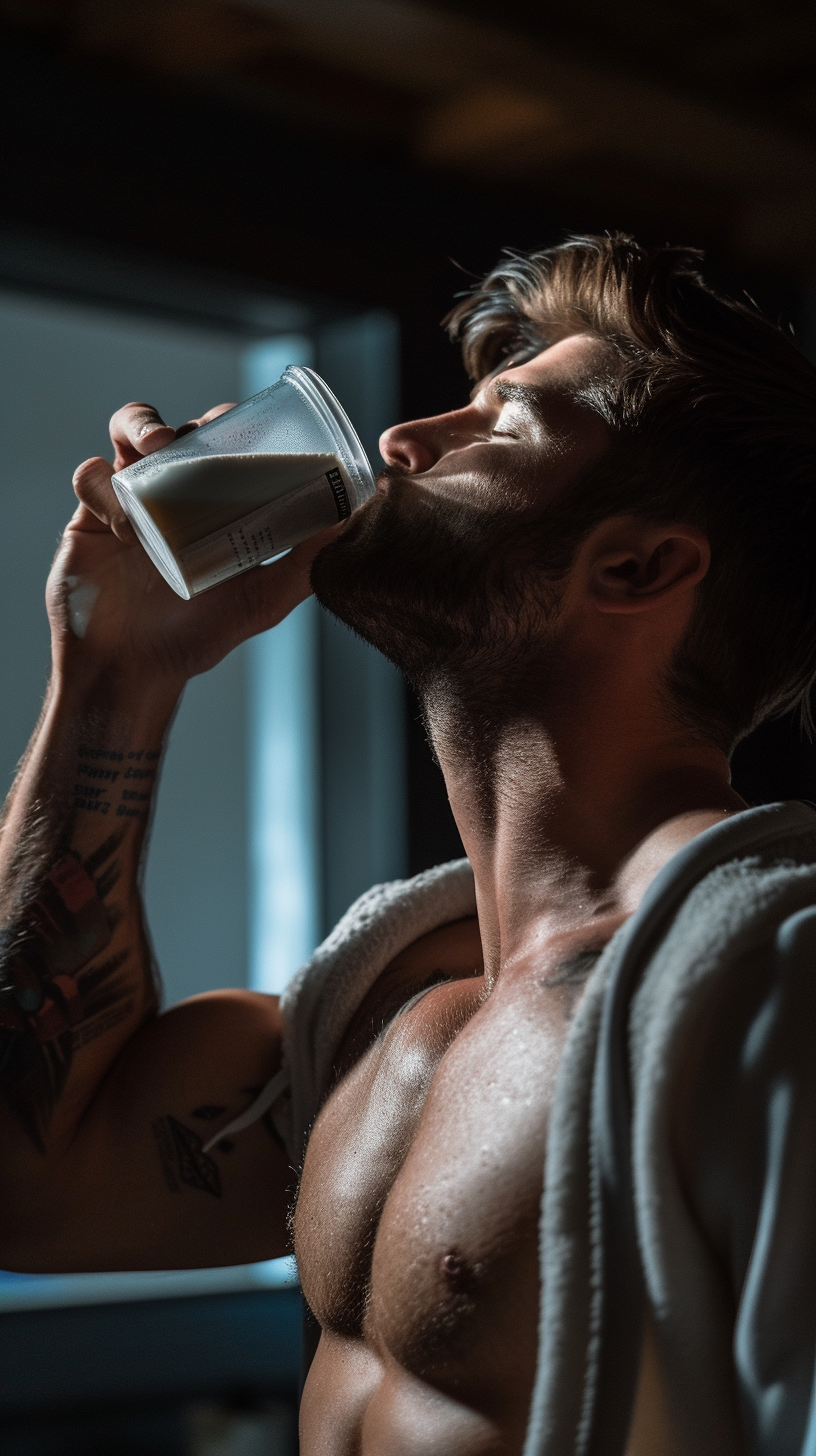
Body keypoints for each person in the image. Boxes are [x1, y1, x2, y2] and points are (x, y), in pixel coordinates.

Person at [1, 233, 815, 1456]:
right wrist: (114, 675)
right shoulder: (387, 1009)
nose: (401, 442)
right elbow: (29, 1192)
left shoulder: (767, 985)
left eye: (507, 422)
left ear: (640, 566)